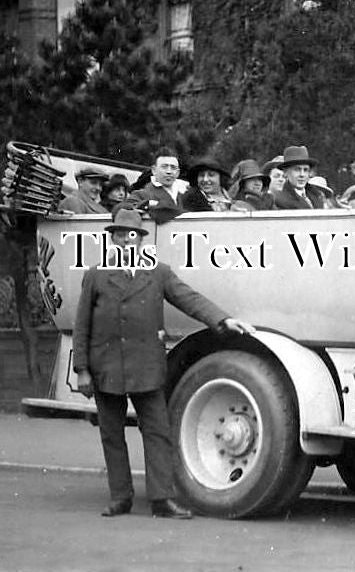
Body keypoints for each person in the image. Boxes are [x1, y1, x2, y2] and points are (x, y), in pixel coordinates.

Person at [73, 209, 255, 519]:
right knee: (112, 434)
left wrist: (223, 319)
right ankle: (121, 498)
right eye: (120, 235)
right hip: (106, 369)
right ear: (112, 239)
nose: (127, 242)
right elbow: (82, 325)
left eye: (133, 235)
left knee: (158, 432)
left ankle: (162, 499)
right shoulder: (95, 275)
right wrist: (82, 370)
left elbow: (189, 298)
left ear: (142, 240)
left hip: (147, 368)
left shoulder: (158, 273)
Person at [128, 150, 186, 216]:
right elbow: (120, 208)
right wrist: (147, 203)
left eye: (173, 167)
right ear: (154, 170)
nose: (169, 171)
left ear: (178, 173)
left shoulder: (184, 197)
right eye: (164, 166)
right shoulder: (142, 194)